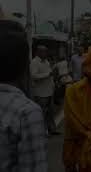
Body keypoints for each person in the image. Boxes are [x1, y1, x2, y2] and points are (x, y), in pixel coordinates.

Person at [0, 20, 48, 172]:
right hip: (40, 93)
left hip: (47, 91)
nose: (44, 53)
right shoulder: (26, 112)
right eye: (42, 51)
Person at [30, 45, 59, 135]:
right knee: (41, 113)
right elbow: (33, 76)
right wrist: (48, 74)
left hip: (49, 91)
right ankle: (42, 132)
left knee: (50, 113)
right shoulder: (34, 62)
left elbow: (50, 75)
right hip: (40, 93)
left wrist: (53, 80)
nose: (46, 53)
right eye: (44, 51)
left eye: (46, 51)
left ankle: (52, 129)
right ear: (38, 52)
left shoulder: (46, 62)